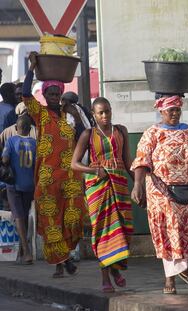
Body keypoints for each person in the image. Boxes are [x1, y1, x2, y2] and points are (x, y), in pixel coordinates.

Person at [131, 95, 188, 295]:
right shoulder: (152, 133)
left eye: (177, 110)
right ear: (161, 111)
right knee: (169, 234)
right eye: (171, 110)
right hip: (164, 194)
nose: (175, 114)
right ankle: (170, 278)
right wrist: (137, 186)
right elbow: (142, 161)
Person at [22, 52, 85, 277]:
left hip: (71, 177)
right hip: (48, 178)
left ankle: (66, 257)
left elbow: (82, 136)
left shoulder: (70, 114)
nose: (54, 96)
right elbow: (25, 94)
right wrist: (32, 67)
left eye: (57, 92)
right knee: (52, 220)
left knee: (72, 219)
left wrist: (75, 116)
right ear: (45, 94)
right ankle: (61, 263)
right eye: (50, 92)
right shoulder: (41, 114)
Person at [71, 97, 134, 293]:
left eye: (107, 111)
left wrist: (141, 184)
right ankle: (105, 276)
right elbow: (74, 163)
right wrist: (94, 170)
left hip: (120, 187)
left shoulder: (121, 131)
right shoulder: (88, 135)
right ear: (93, 114)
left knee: (123, 230)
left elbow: (127, 161)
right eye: (100, 113)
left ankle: (115, 270)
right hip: (98, 187)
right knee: (103, 232)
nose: (105, 116)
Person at [2, 114, 36, 265]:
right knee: (25, 214)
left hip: (14, 185)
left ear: (16, 128)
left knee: (18, 217)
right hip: (29, 185)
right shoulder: (35, 143)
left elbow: (5, 159)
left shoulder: (11, 140)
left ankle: (26, 250)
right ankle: (23, 250)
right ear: (29, 129)